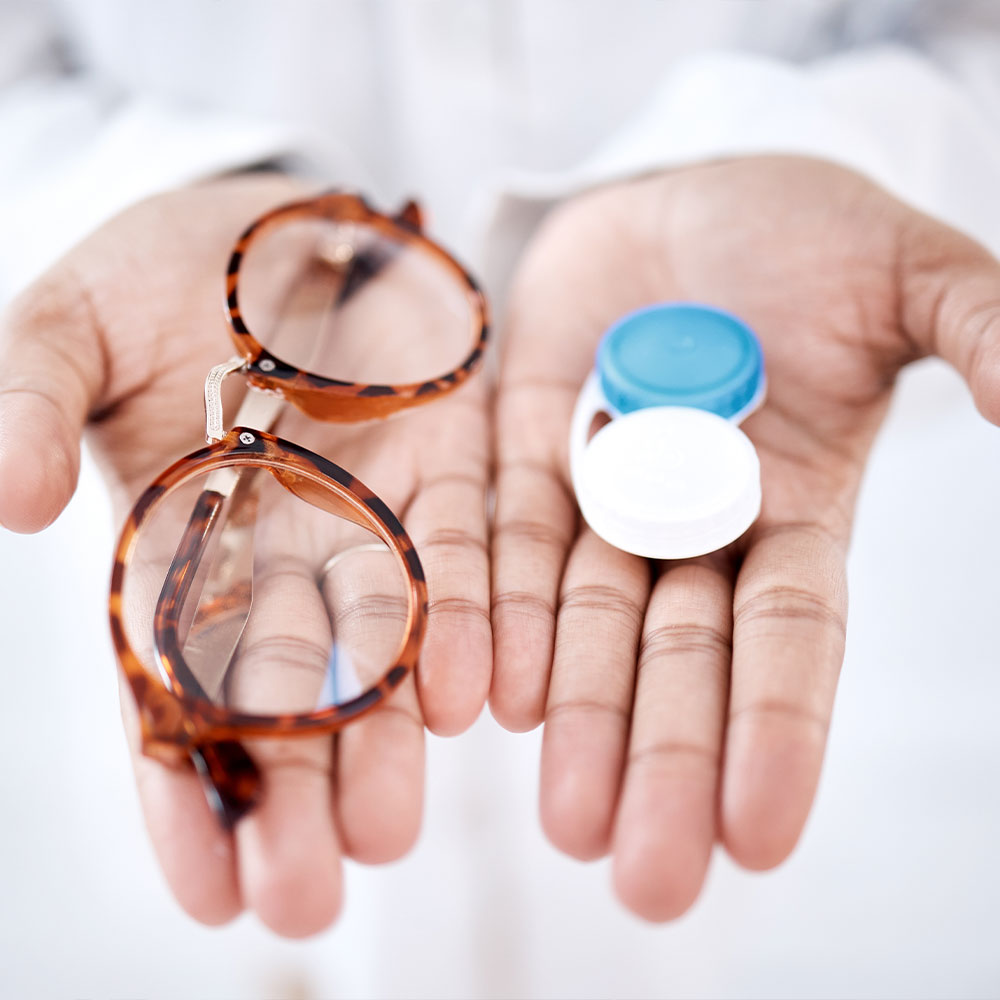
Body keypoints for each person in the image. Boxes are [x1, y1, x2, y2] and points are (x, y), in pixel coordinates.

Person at [2, 2, 1000, 992]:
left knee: (646, 904)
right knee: (274, 928)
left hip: (644, 878)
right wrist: (135, 199)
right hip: (258, 845)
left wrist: (819, 157)